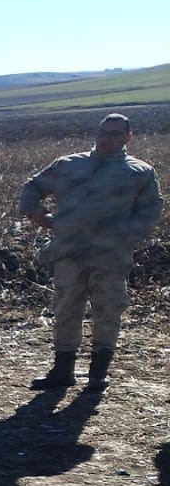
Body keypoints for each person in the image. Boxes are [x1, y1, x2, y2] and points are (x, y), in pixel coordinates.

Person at [17, 112, 160, 390]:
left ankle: (98, 373)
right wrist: (36, 213)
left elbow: (150, 211)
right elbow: (33, 186)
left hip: (110, 256)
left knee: (108, 311)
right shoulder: (69, 165)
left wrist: (124, 236)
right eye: (103, 133)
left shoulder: (140, 172)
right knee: (66, 309)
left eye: (115, 134)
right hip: (69, 252)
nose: (107, 139)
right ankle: (62, 371)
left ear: (128, 137)